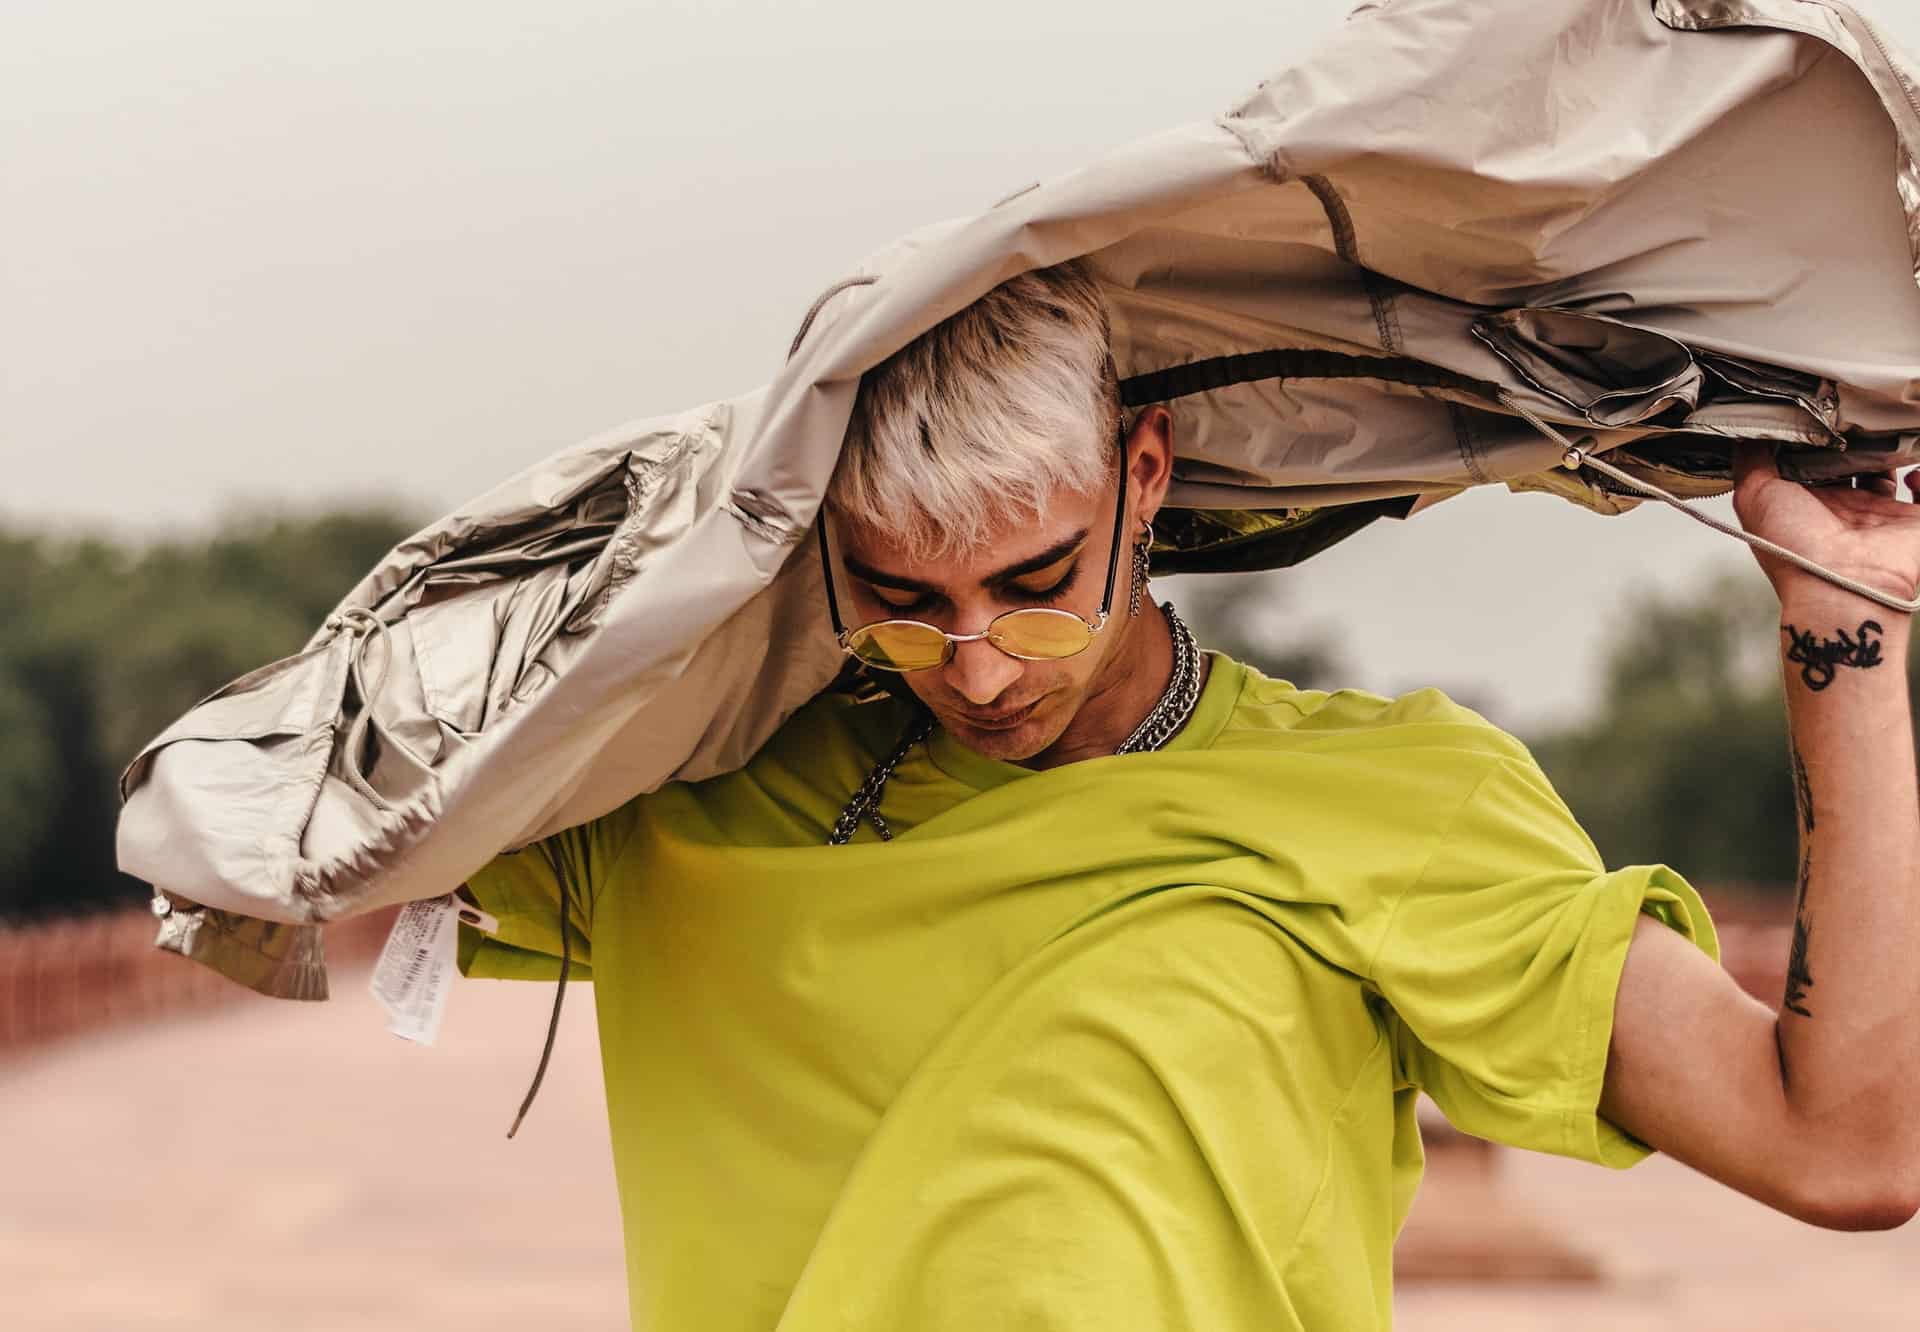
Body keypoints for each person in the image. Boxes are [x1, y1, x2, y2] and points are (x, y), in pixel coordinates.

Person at [456, 260, 1920, 1330]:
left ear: (1143, 475)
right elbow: (289, 854)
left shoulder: (1385, 803)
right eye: (904, 602)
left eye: (1032, 587)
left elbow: (1840, 1145)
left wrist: (1836, 634)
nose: (973, 670)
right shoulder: (689, 793)